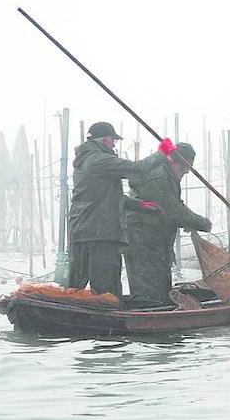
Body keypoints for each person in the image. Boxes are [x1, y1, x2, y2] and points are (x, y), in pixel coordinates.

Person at [66, 121, 156, 302]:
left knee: (75, 289)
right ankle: (110, 323)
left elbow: (104, 198)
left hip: (80, 232)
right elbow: (136, 168)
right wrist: (163, 153)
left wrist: (139, 205)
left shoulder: (84, 162)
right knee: (107, 292)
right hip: (101, 235)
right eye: (114, 140)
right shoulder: (99, 160)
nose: (115, 144)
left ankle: (71, 323)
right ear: (106, 140)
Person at [122, 140, 212, 305]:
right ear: (172, 161)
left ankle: (158, 313)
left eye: (188, 169)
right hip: (143, 239)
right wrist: (201, 223)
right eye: (183, 167)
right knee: (147, 291)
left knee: (160, 290)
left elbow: (175, 206)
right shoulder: (158, 176)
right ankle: (148, 320)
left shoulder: (167, 175)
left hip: (155, 241)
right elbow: (173, 212)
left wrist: (191, 221)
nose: (185, 172)